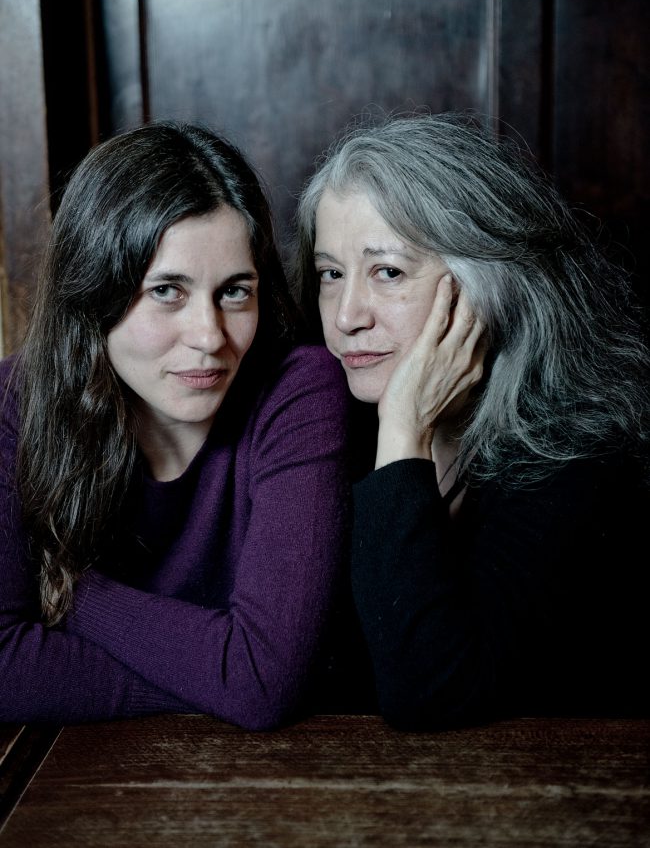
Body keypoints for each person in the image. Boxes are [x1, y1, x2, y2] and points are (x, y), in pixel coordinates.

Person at [295, 112, 650, 730]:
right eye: (331, 274)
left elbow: (429, 692)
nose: (346, 315)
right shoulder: (326, 427)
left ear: (486, 283)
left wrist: (404, 429)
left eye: (388, 272)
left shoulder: (580, 451)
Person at [0, 121, 351, 728]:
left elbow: (265, 682)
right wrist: (225, 675)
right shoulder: (12, 405)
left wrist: (77, 595)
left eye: (235, 291)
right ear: (95, 291)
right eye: (167, 290)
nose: (211, 337)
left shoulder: (298, 391)